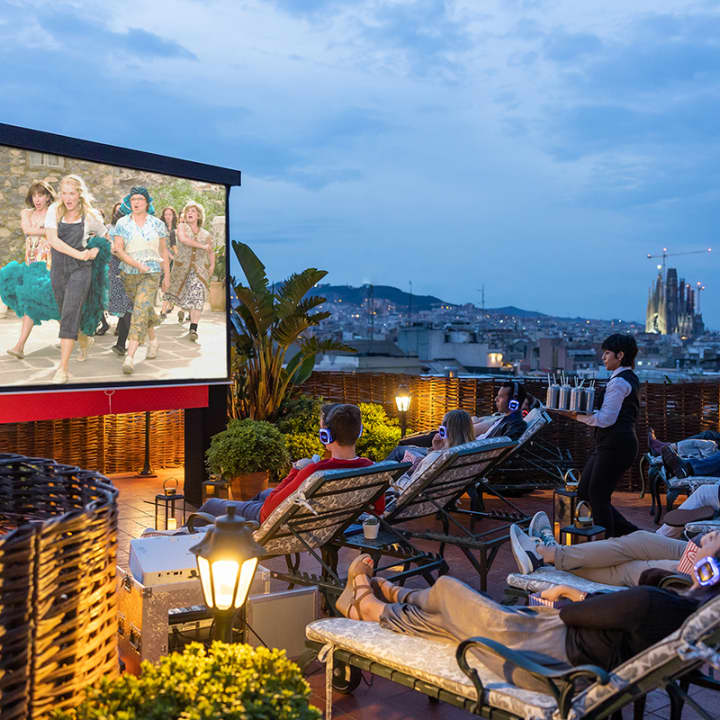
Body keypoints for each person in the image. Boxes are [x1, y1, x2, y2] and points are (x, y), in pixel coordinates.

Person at [335, 531, 720, 688]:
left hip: (543, 656)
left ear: (708, 568)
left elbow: (575, 613)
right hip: (575, 655)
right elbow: (609, 610)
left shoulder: (652, 603)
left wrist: (564, 596)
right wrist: (579, 597)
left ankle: (370, 603)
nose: (703, 536)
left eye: (711, 540)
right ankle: (389, 597)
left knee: (450, 591)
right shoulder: (685, 610)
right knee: (449, 611)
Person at [196, 404, 379, 523]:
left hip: (285, 521)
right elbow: (377, 509)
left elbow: (269, 511)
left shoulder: (316, 471)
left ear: (326, 437)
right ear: (359, 432)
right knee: (262, 494)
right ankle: (239, 519)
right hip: (330, 520)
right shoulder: (370, 467)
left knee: (211, 505)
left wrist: (296, 470)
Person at [560, 334, 640, 537]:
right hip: (611, 444)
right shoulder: (625, 378)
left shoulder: (619, 382)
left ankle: (610, 544)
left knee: (597, 495)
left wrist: (575, 415)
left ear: (620, 355)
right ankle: (632, 535)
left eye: (606, 353)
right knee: (587, 492)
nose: (603, 358)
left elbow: (606, 419)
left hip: (616, 445)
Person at [44, 174, 110, 383]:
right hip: (59, 267)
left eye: (72, 193)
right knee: (64, 311)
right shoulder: (54, 210)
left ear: (79, 194)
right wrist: (78, 253)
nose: (67, 197)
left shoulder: (90, 215)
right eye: (64, 193)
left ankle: (62, 368)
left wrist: (95, 250)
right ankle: (82, 337)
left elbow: (105, 237)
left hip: (81, 270)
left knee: (71, 312)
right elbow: (52, 239)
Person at [510, 511, 687, 586]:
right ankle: (551, 554)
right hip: (698, 551)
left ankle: (545, 555)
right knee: (640, 540)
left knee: (627, 569)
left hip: (702, 572)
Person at [112, 186, 170, 374]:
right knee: (143, 308)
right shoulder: (121, 223)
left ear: (147, 203)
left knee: (138, 310)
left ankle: (130, 357)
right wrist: (136, 264)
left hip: (152, 271)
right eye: (133, 199)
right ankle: (153, 340)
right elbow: (118, 250)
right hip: (128, 272)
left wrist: (166, 275)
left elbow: (163, 252)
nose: (136, 202)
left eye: (140, 199)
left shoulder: (157, 224)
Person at [389, 382, 527, 460]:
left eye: (501, 397)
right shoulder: (503, 419)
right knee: (408, 445)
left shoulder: (515, 424)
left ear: (513, 402)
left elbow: (504, 445)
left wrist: (441, 449)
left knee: (399, 451)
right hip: (455, 452)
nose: (496, 400)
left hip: (455, 455)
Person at [1, 180, 57, 359]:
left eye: (41, 195)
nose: (37, 199)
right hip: (30, 263)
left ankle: (80, 333)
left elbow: (54, 233)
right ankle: (19, 346)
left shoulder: (54, 213)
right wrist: (45, 230)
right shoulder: (26, 213)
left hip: (48, 264)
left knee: (57, 303)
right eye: (34, 195)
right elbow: (26, 228)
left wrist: (45, 231)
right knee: (30, 302)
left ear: (48, 197)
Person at [161, 201, 214, 342]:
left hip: (199, 271)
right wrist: (202, 246)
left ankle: (193, 328)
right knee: (183, 296)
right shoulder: (181, 227)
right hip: (182, 269)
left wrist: (212, 265)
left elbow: (210, 250)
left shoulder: (206, 233)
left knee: (197, 295)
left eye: (193, 211)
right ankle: (175, 312)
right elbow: (184, 240)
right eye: (188, 211)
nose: (190, 213)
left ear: (199, 216)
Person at [390, 409, 475, 493]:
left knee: (390, 466)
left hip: (409, 499)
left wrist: (398, 474)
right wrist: (436, 449)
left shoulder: (436, 458)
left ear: (446, 432)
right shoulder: (471, 455)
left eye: (441, 430)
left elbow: (407, 489)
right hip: (444, 499)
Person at [105, 202, 134, 356]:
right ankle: (122, 343)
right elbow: (113, 249)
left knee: (128, 307)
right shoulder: (111, 230)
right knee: (124, 309)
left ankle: (122, 343)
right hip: (117, 272)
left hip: (132, 272)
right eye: (118, 212)